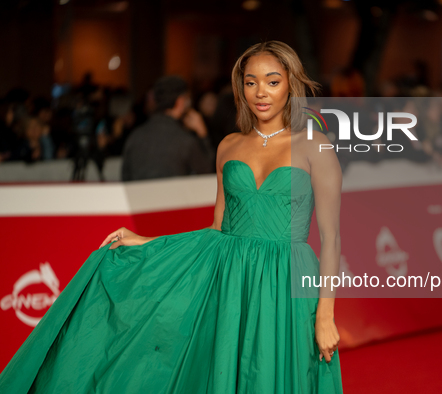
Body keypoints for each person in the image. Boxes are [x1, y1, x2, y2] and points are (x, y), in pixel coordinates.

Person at [0, 40, 344, 393]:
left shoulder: (316, 146)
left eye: (272, 81)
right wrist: (148, 244)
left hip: (286, 279)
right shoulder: (227, 146)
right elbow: (217, 229)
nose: (261, 92)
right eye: (250, 81)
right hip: (230, 282)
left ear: (291, 83)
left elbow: (331, 239)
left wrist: (325, 314)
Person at [121, 75, 215, 181]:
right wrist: (203, 134)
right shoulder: (185, 140)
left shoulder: (134, 137)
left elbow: (125, 178)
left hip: (138, 197)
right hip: (176, 197)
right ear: (180, 102)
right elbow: (208, 174)